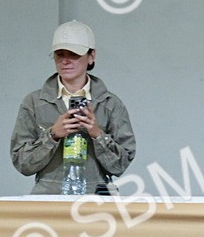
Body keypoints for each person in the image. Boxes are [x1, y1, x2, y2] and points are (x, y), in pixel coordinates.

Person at [10, 21, 136, 194]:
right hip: (48, 201)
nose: (65, 61)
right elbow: (22, 163)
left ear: (91, 56)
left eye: (74, 54)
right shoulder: (34, 103)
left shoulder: (110, 104)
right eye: (59, 54)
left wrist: (97, 134)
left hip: (96, 202)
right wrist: (52, 135)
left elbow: (120, 165)